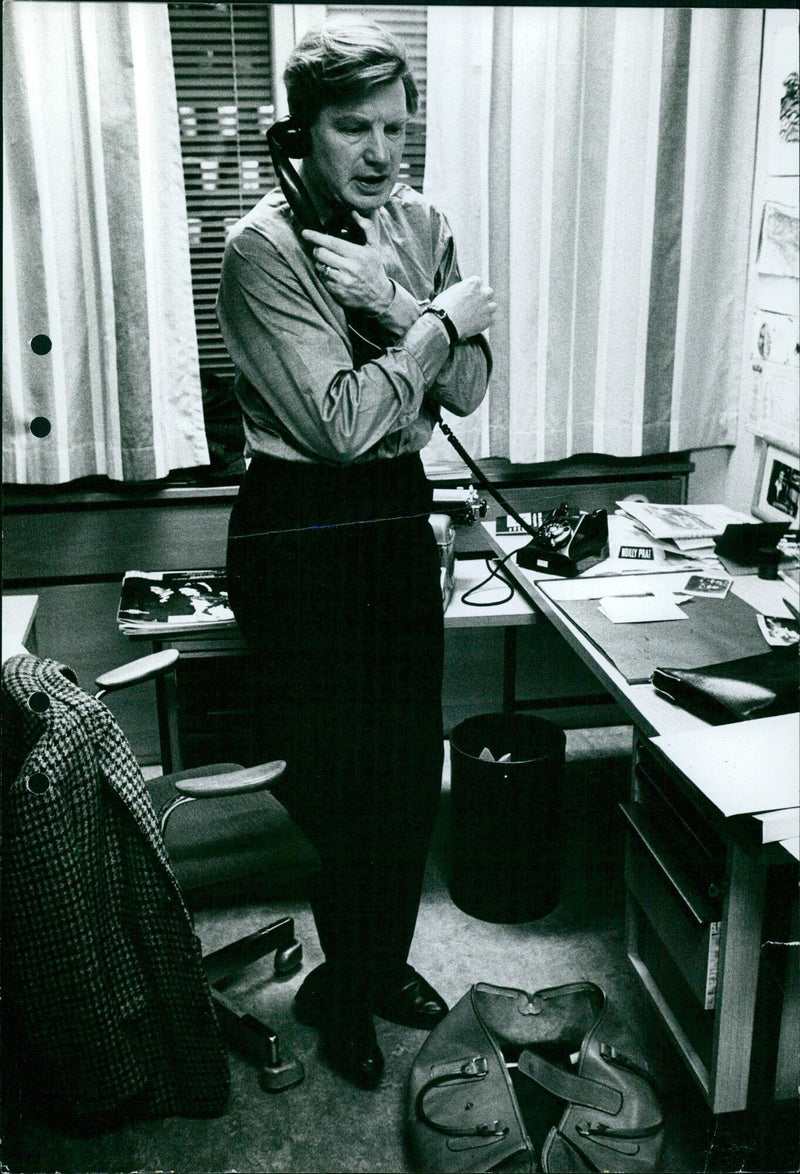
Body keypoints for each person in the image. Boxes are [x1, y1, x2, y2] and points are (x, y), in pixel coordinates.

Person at [217, 17, 495, 1090]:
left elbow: (469, 394)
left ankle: (380, 965)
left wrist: (405, 305)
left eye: (396, 127)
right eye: (352, 129)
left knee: (405, 775)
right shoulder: (260, 250)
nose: (381, 154)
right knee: (339, 784)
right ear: (300, 133)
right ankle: (344, 981)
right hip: (297, 524)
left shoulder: (422, 221)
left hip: (388, 517)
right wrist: (423, 321)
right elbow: (336, 422)